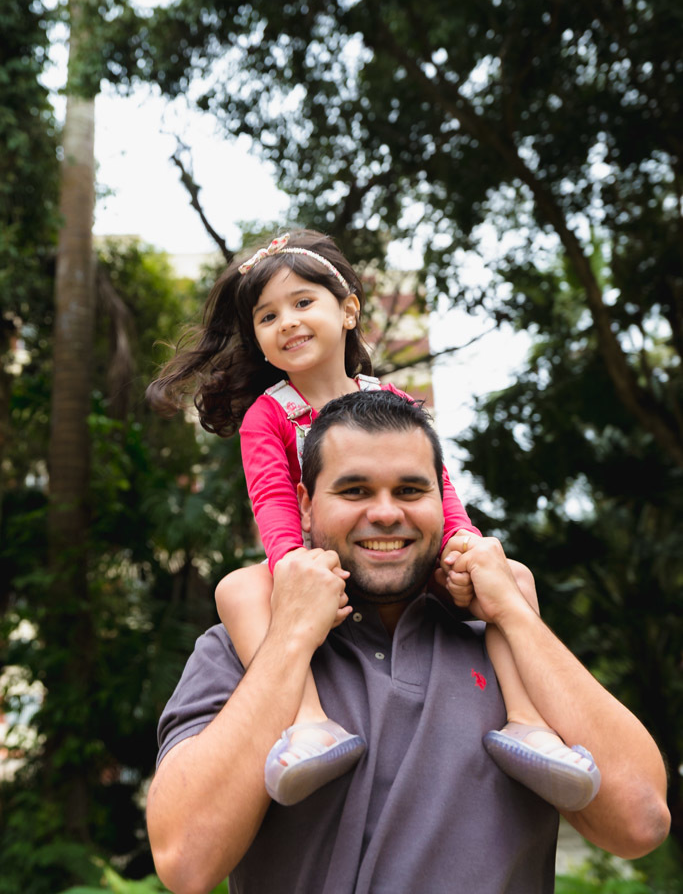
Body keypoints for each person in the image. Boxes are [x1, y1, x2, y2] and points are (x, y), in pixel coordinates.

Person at [147, 390, 670, 894]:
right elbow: (186, 862)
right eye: (354, 491)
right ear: (305, 506)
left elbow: (639, 821)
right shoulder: (239, 647)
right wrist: (289, 638)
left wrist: (512, 612)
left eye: (410, 490)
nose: (386, 513)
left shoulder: (509, 644)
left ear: (440, 501)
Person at [147, 229, 598, 809]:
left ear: (349, 310)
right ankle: (307, 722)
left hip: (407, 554)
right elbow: (274, 501)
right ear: (259, 341)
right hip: (314, 558)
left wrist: (466, 546)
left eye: (303, 302)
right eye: (267, 316)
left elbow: (438, 488)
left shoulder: (394, 401)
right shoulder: (270, 413)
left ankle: (528, 720)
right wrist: (293, 568)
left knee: (512, 577)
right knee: (238, 589)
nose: (287, 321)